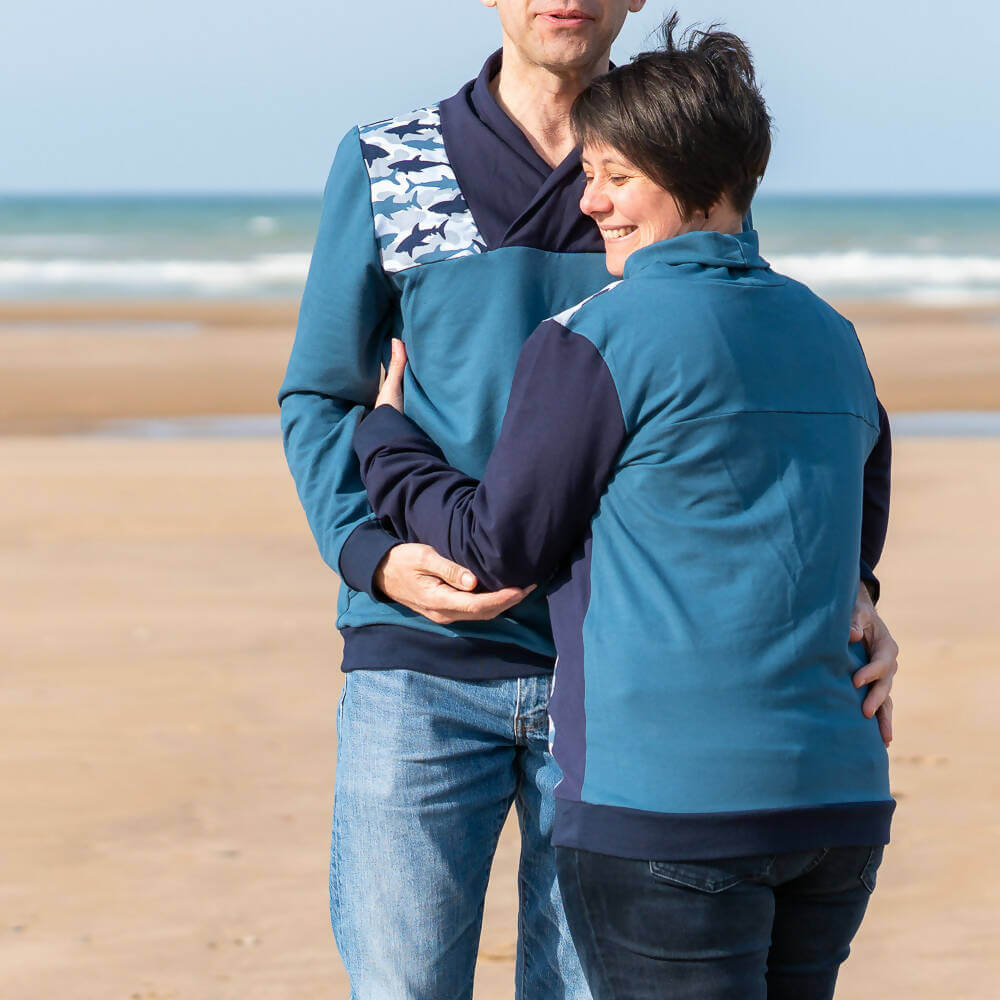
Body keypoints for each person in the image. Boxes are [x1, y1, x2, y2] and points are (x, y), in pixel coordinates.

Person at [278, 3, 898, 996]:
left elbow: (753, 385)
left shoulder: (673, 161)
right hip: (420, 659)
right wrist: (370, 554)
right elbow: (321, 391)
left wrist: (847, 585)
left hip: (619, 683)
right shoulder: (389, 160)